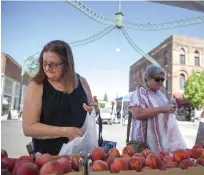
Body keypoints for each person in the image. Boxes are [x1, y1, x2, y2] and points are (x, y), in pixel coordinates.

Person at [22, 40, 97, 155]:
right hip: (47, 161)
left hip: (78, 160)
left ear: (67, 64)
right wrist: (66, 131)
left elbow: (91, 111)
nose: (47, 68)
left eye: (53, 64)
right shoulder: (37, 85)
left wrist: (94, 111)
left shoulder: (83, 82)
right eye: (44, 62)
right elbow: (28, 128)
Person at [129, 65, 184, 153]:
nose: (160, 82)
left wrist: (172, 109)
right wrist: (162, 109)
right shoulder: (141, 91)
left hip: (162, 145)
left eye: (163, 79)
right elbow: (137, 114)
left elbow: (166, 112)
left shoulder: (160, 94)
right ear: (148, 78)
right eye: (157, 79)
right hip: (144, 146)